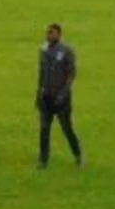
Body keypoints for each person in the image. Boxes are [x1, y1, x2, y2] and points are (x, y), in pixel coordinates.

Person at [35, 21, 81, 167]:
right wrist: (38, 93)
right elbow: (41, 73)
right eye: (47, 33)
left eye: (51, 33)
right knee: (44, 129)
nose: (48, 35)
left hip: (61, 99)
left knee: (67, 128)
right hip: (46, 97)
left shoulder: (66, 51)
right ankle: (43, 160)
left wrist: (64, 93)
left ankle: (78, 154)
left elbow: (71, 73)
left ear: (59, 34)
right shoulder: (43, 50)